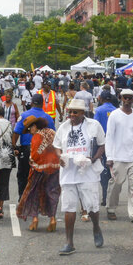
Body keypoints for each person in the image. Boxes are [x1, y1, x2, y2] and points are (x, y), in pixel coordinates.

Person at [53, 99, 106, 255]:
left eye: (75, 112)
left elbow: (102, 145)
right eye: (70, 112)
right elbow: (56, 146)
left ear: (83, 113)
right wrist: (60, 157)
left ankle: (96, 228)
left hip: (88, 173)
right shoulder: (63, 127)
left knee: (92, 207)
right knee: (69, 207)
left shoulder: (93, 126)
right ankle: (69, 242)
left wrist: (93, 159)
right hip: (68, 174)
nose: (71, 115)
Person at [105, 89, 133, 223]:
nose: (127, 100)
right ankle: (111, 208)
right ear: (120, 98)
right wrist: (109, 157)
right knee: (116, 185)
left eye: (130, 98)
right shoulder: (114, 115)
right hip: (118, 157)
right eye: (125, 98)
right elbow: (109, 137)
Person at [17, 116, 61, 231]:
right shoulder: (52, 132)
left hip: (39, 170)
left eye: (29, 129)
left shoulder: (37, 136)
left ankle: (35, 219)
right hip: (55, 168)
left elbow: (34, 156)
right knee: (52, 194)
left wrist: (31, 163)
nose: (30, 132)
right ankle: (53, 219)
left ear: (34, 126)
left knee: (34, 194)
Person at [12, 94, 55, 199]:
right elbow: (53, 136)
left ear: (31, 103)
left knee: (23, 174)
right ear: (42, 104)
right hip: (42, 150)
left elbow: (16, 133)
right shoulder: (48, 118)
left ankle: (23, 198)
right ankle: (38, 199)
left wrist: (14, 147)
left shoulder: (25, 116)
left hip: (27, 149)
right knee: (40, 175)